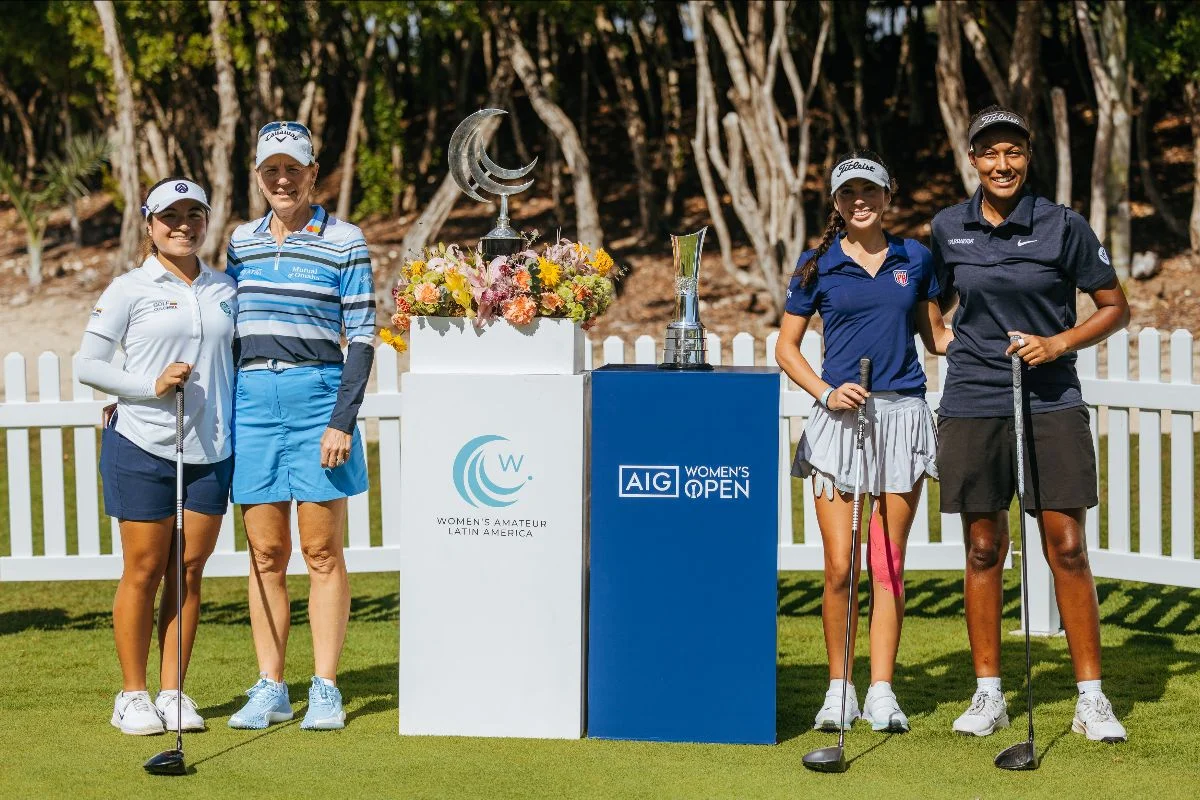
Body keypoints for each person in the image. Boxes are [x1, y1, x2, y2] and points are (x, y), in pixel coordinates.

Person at [932, 106, 1130, 743]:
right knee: (984, 547)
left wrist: (1058, 342)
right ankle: (988, 693)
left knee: (1065, 547)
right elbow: (927, 293)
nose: (1002, 164)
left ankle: (1091, 699)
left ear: (1027, 156)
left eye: (1013, 151)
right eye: (989, 153)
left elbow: (1114, 307)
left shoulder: (1063, 225)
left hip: (1049, 399)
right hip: (973, 398)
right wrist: (937, 334)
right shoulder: (947, 227)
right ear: (973, 161)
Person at [775, 151, 954, 733]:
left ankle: (881, 690)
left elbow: (938, 339)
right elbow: (786, 349)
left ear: (887, 196)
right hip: (839, 420)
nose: (861, 201)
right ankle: (839, 690)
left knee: (887, 565)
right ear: (835, 202)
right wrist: (826, 392)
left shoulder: (915, 258)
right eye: (849, 193)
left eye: (870, 191)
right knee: (838, 567)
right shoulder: (816, 264)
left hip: (901, 414)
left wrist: (999, 308)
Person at [224, 121, 376, 731]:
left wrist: (342, 420)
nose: (282, 180)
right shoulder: (241, 242)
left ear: (314, 174)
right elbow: (215, 328)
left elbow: (362, 338)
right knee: (265, 552)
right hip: (253, 400)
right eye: (271, 171)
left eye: (293, 169)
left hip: (318, 400)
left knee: (319, 550)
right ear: (259, 177)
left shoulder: (346, 240)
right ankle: (271, 686)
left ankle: (326, 687)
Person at [78, 178, 236, 735]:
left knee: (188, 572)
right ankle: (133, 695)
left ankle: (173, 691)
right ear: (149, 225)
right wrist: (149, 385)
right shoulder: (128, 289)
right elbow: (88, 365)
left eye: (194, 214)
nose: (183, 224)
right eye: (170, 215)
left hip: (210, 448)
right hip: (143, 442)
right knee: (144, 569)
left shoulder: (225, 287)